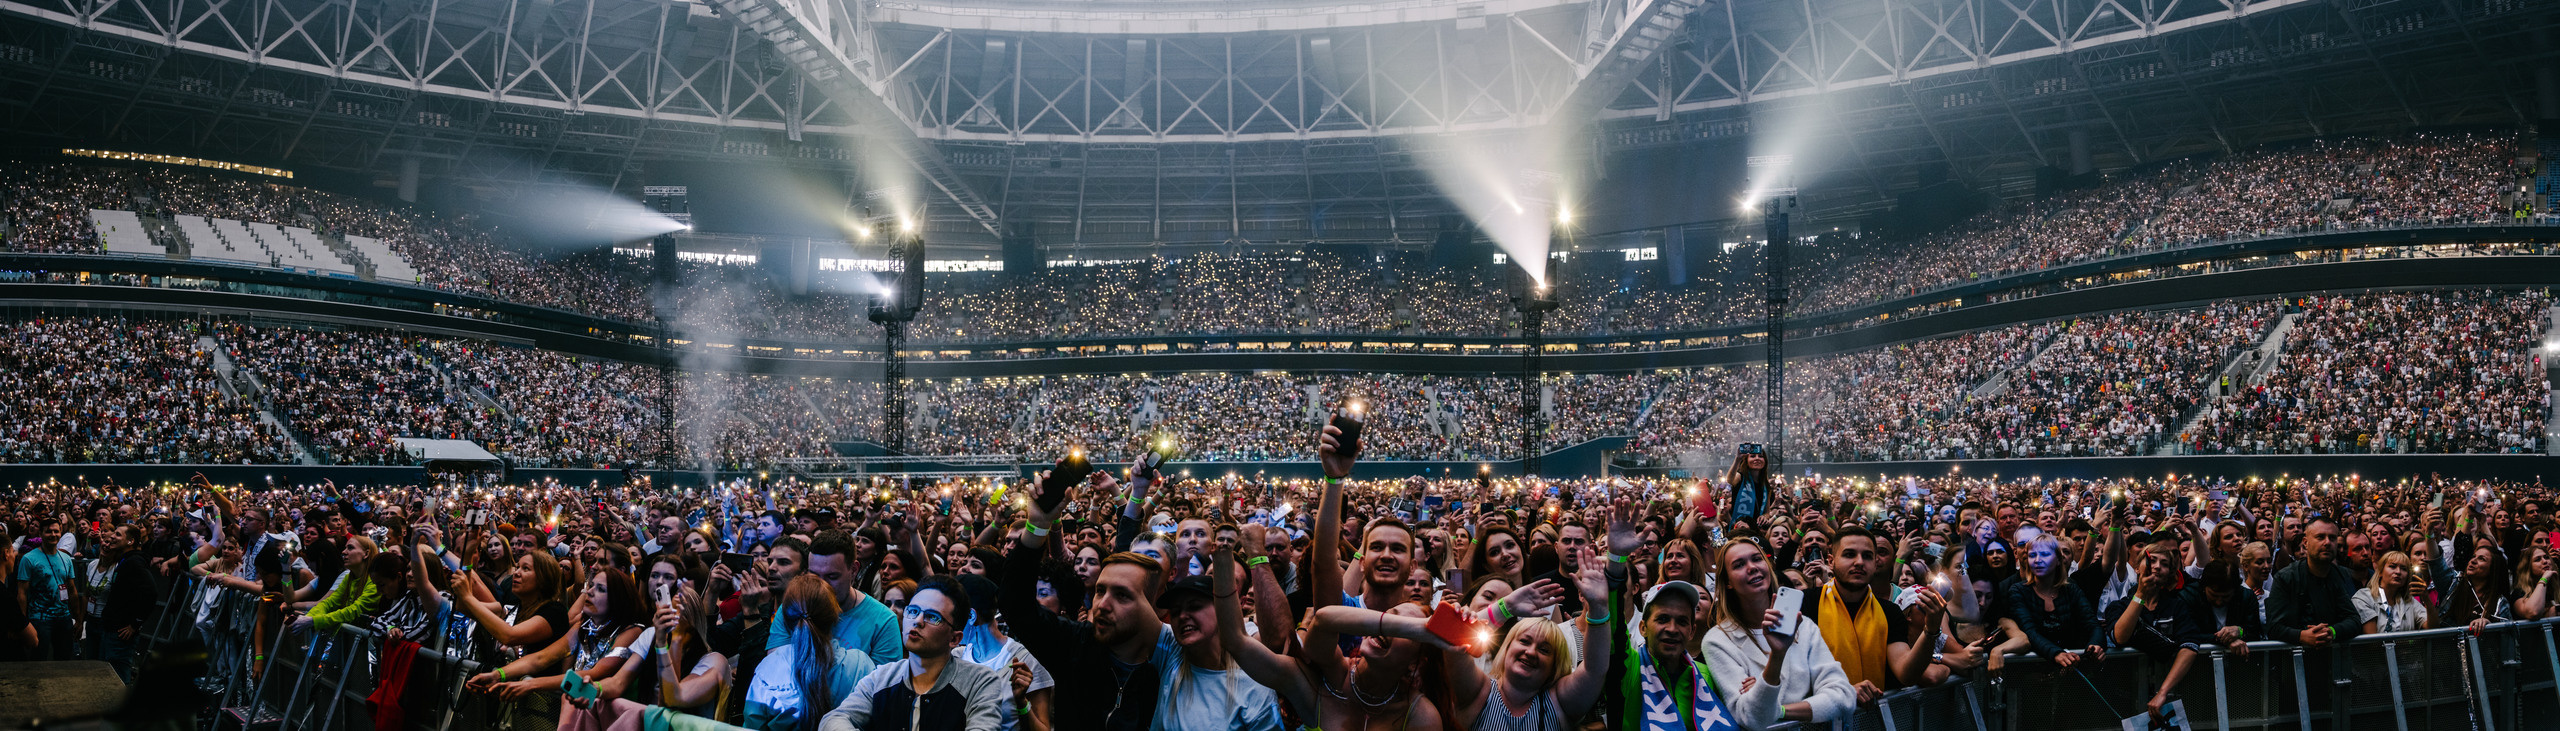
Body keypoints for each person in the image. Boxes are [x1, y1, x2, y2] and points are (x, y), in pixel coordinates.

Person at [1002, 462, 1168, 731]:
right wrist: (1037, 527)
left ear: (1148, 603)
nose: (1103, 603)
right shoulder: (1075, 645)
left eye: (1122, 595)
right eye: (1101, 590)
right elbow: (1016, 604)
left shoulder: (1170, 663)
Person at [1700, 537, 1857, 730]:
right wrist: (1777, 655)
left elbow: (1843, 696)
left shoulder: (1803, 627)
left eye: (1757, 559)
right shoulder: (1718, 641)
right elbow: (1750, 716)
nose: (1752, 567)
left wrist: (1777, 708)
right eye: (1739, 564)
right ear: (1727, 582)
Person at [818, 576, 1009, 731]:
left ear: (955, 639)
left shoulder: (979, 681)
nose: (917, 621)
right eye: (913, 611)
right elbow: (834, 719)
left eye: (932, 617)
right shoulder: (882, 677)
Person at [1810, 526, 1945, 700]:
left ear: (1875, 563)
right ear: (1831, 560)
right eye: (1849, 554)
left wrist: (1931, 629)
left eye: (1867, 556)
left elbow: (1906, 673)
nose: (1859, 562)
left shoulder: (1889, 611)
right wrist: (1844, 691)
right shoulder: (1807, 604)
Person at [747, 575, 873, 731]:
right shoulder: (861, 664)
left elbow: (752, 725)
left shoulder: (768, 668)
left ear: (785, 619)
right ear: (835, 617)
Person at [770, 534, 904, 666]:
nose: (822, 585)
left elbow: (883, 685)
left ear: (853, 570)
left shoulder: (883, 621)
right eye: (814, 576)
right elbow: (775, 670)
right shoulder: (792, 609)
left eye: (832, 576)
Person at [951, 575, 1052, 731]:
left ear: (971, 616)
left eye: (952, 615)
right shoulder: (956, 657)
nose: (949, 623)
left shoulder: (1025, 660)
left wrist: (1021, 703)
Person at [2265, 516, 2364, 648]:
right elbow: (2274, 627)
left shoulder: (2343, 575)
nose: (2327, 542)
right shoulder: (2286, 578)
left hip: (2334, 661)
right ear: (2305, 542)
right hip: (2294, 661)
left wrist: (2332, 632)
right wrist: (2301, 636)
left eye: (2332, 538)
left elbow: (2354, 621)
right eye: (2320, 537)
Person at [17, 518, 75, 660]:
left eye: (56, 531)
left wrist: (77, 618)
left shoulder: (66, 559)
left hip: (63, 617)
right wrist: (23, 622)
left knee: (64, 659)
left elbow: (72, 589)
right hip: (40, 619)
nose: (53, 535)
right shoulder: (29, 559)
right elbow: (22, 593)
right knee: (39, 659)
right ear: (41, 534)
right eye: (48, 531)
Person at [2354, 552, 2428, 633]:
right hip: (2380, 645)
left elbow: (2432, 627)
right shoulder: (2364, 597)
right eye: (2392, 566)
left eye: (2404, 568)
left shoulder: (2408, 601)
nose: (2398, 572)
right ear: (2380, 572)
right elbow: (2372, 642)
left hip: (2405, 646)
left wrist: (2426, 598)